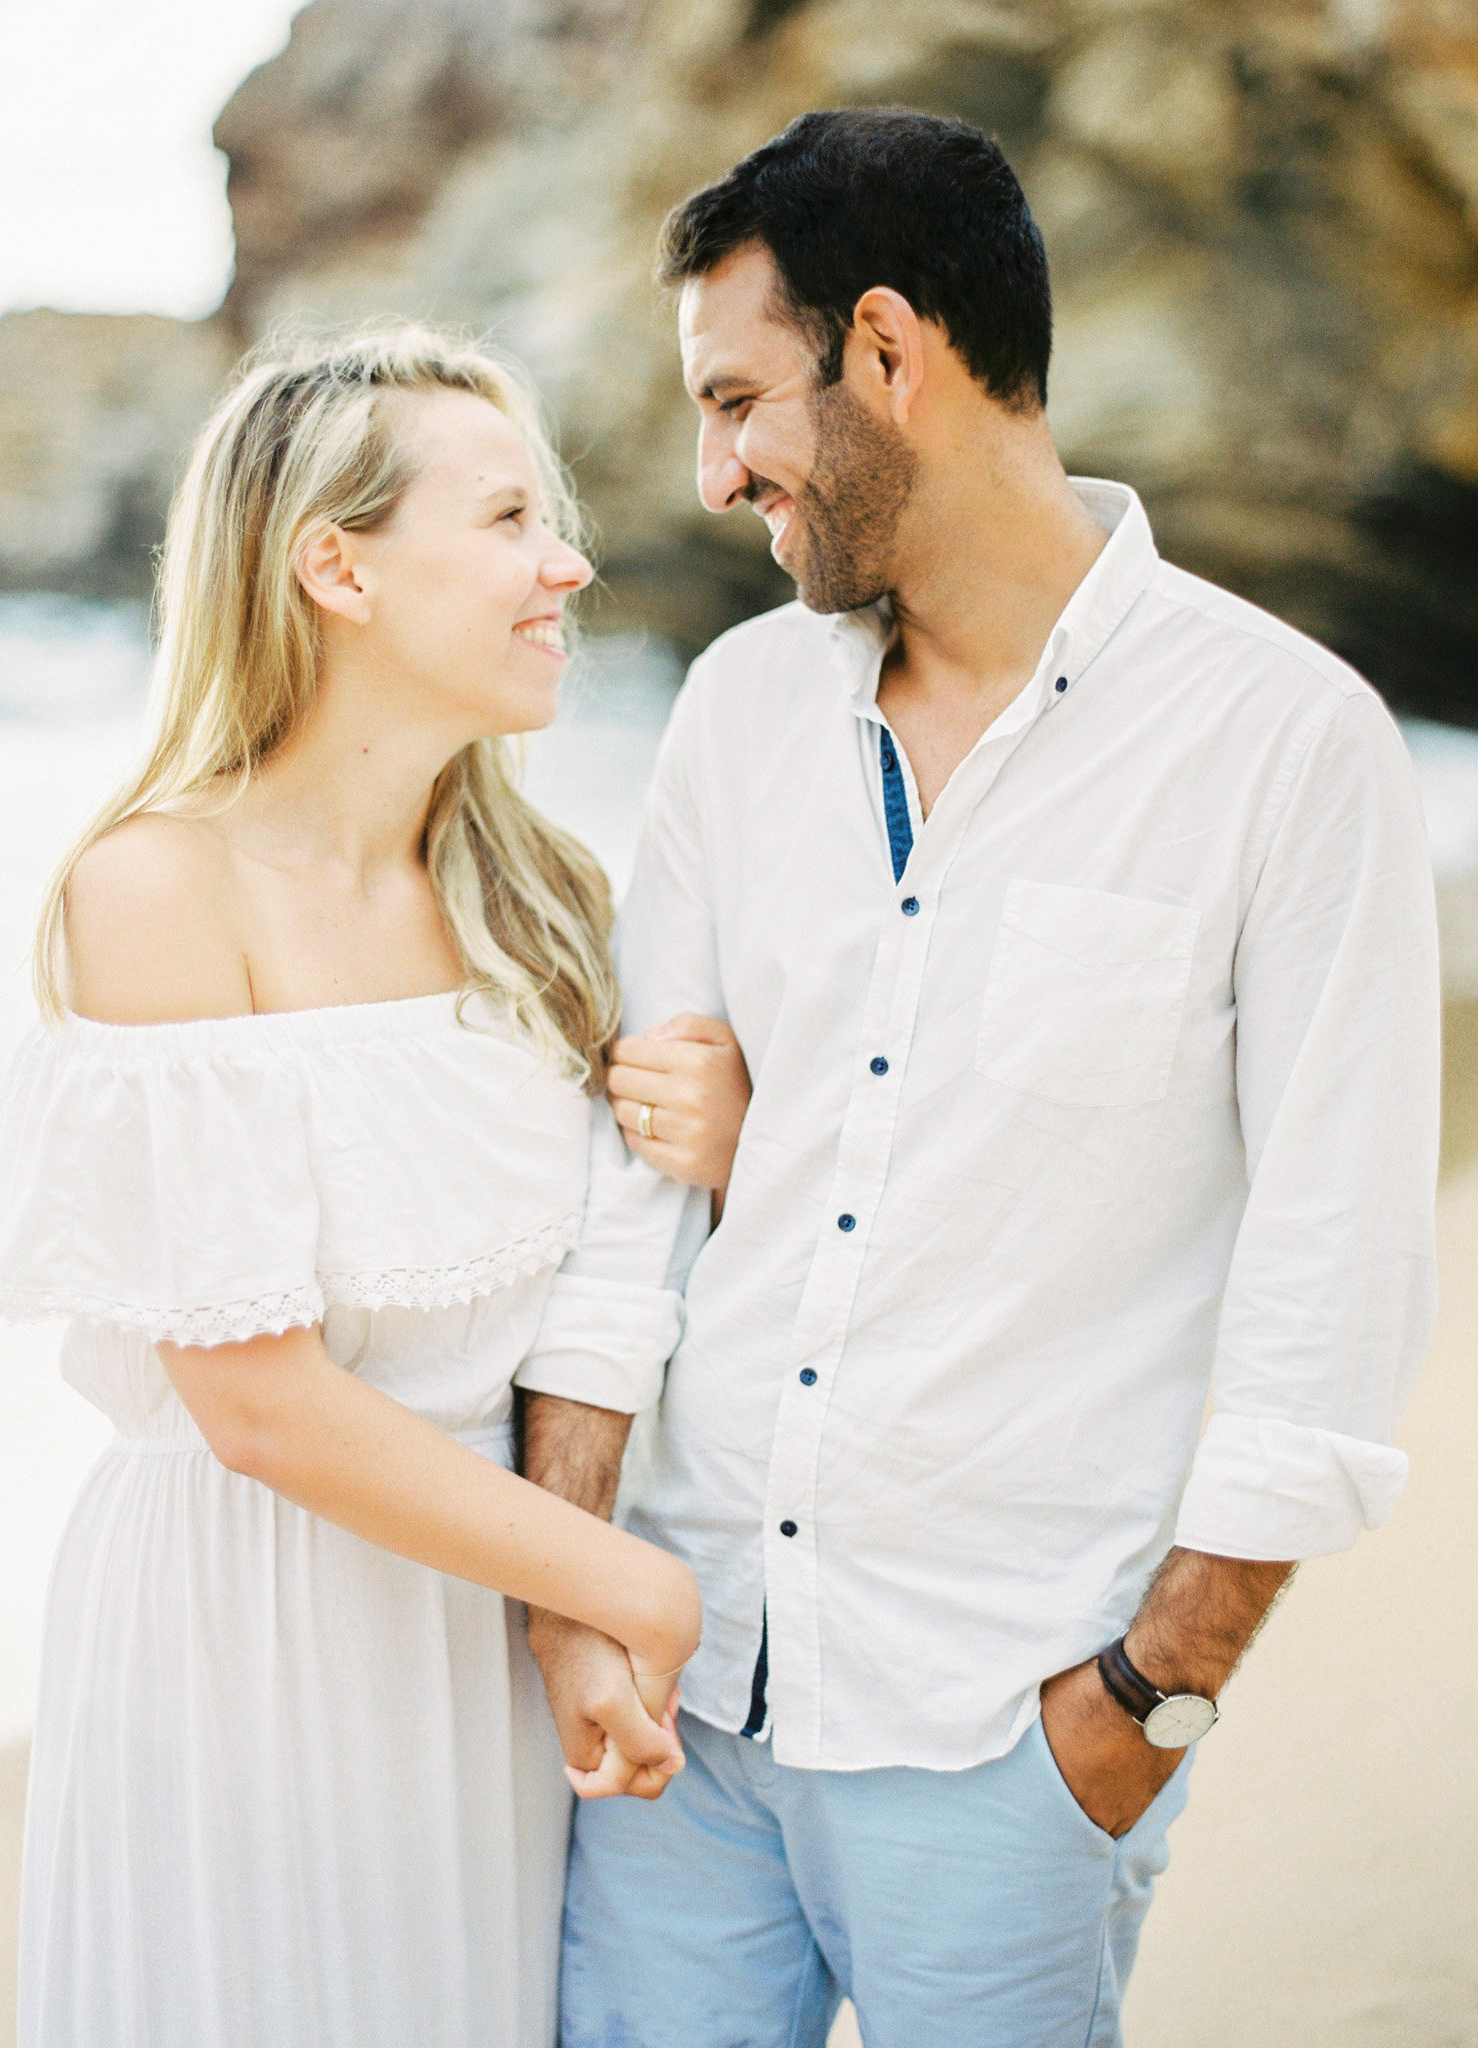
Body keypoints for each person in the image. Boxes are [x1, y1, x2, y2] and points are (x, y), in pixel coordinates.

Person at [514, 110, 1444, 2046]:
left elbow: (1326, 1284)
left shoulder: (1287, 745)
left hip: (1006, 1739)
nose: (712, 474)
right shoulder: (738, 710)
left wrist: (1140, 1712)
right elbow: (636, 1205)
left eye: (738, 399)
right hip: (685, 1706)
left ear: (884, 350)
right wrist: (577, 1587)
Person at [0, 325, 752, 2048]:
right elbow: (256, 1404)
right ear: (336, 564)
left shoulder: (541, 895)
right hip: (244, 1638)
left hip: (481, 1634)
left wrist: (726, 1130)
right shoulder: (162, 888)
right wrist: (625, 1588)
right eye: (504, 522)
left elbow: (625, 1258)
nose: (568, 562)